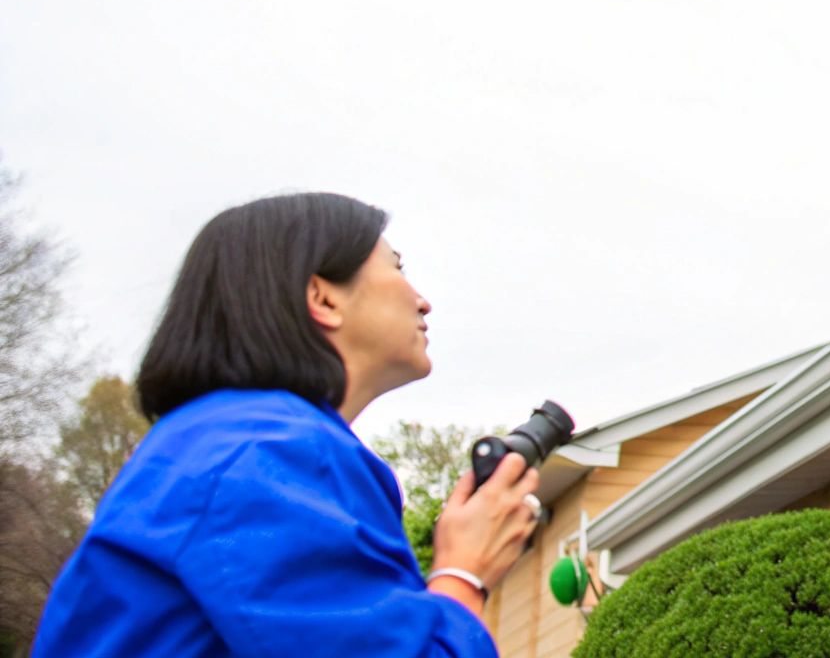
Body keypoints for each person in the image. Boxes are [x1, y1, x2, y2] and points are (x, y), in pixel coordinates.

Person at [35, 193, 540, 657]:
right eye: (397, 267)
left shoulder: (223, 443)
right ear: (322, 299)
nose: (422, 300)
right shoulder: (266, 455)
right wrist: (464, 572)